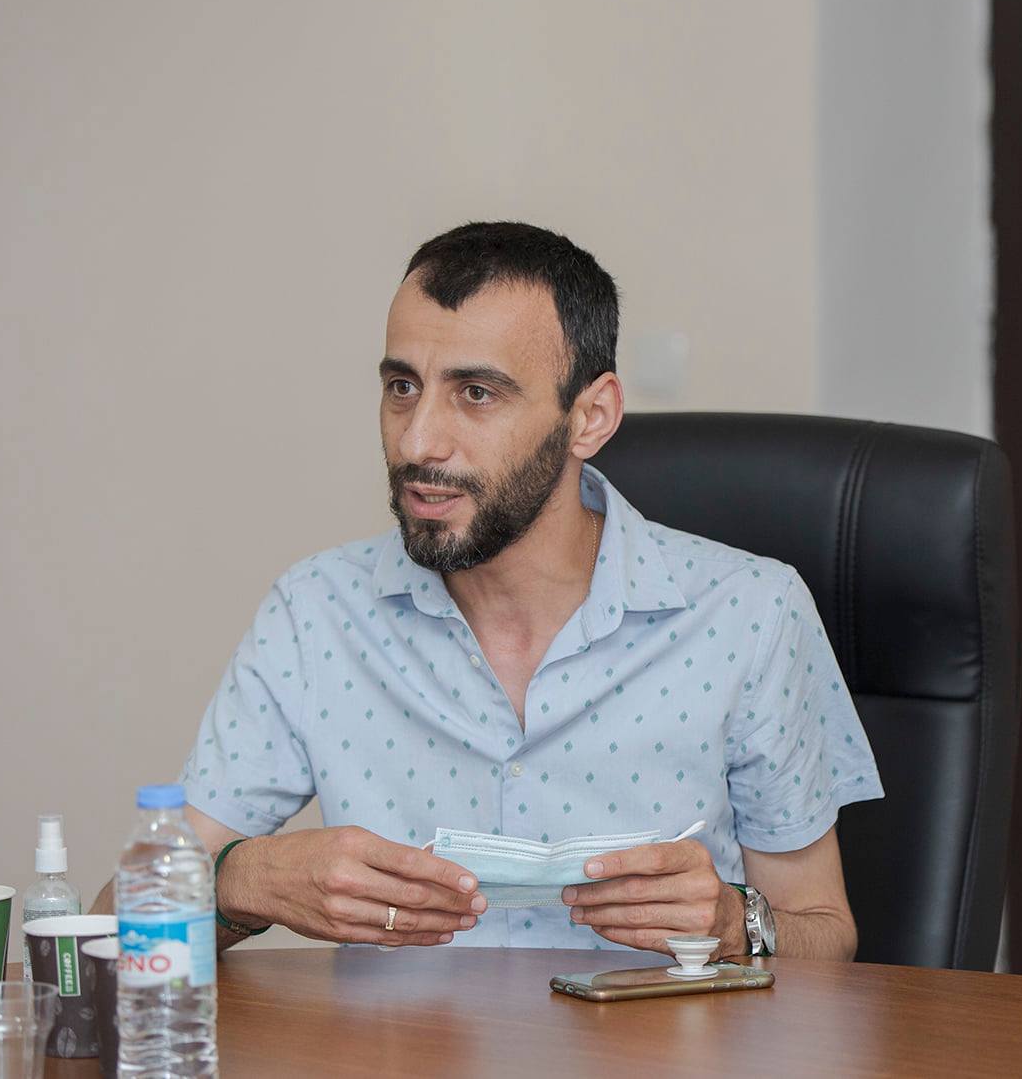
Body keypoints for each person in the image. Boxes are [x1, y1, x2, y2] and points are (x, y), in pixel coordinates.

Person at [93, 222, 882, 958]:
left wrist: (735, 923)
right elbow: (111, 923)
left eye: (476, 392)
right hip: (395, 1049)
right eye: (402, 386)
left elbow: (827, 933)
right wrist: (239, 880)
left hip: (659, 1046)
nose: (418, 440)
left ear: (590, 416)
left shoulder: (750, 614)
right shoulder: (316, 613)